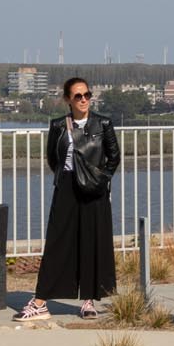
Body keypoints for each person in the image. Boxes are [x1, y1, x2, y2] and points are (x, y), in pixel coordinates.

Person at [18, 78, 119, 321]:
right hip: (66, 188)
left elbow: (114, 157)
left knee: (91, 243)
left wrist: (99, 179)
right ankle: (41, 301)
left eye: (87, 94)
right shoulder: (58, 126)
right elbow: (53, 159)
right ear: (67, 99)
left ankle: (88, 300)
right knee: (57, 243)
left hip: (94, 192)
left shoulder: (103, 123)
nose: (84, 99)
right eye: (78, 96)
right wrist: (68, 178)